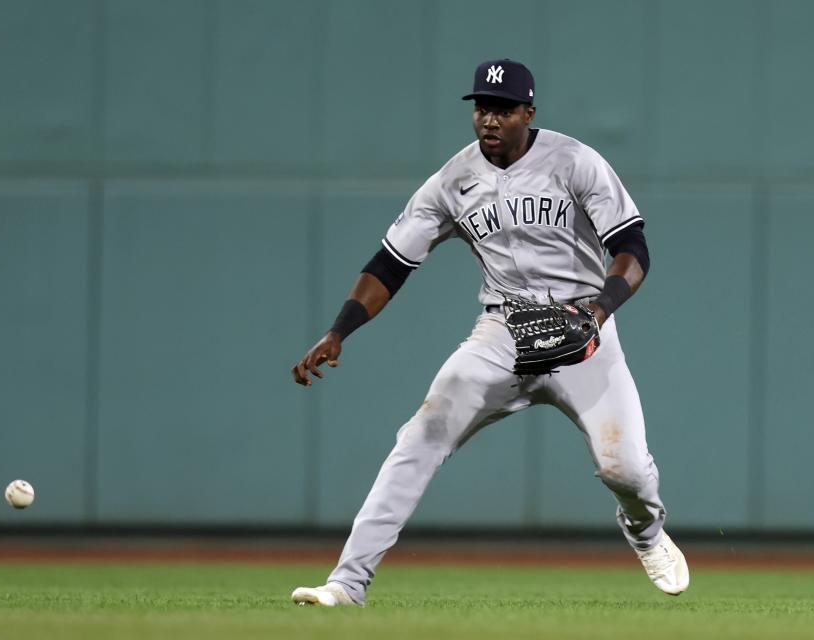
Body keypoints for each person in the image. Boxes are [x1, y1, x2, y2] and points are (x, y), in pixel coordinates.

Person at [290, 58, 688, 607]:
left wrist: (598, 311)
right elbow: (389, 264)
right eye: (482, 108)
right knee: (420, 437)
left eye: (502, 108)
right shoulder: (453, 181)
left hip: (582, 326)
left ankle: (644, 530)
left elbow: (632, 250)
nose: (489, 119)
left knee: (624, 467)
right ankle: (347, 583)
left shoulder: (576, 162)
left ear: (529, 111)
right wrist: (339, 330)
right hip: (502, 330)